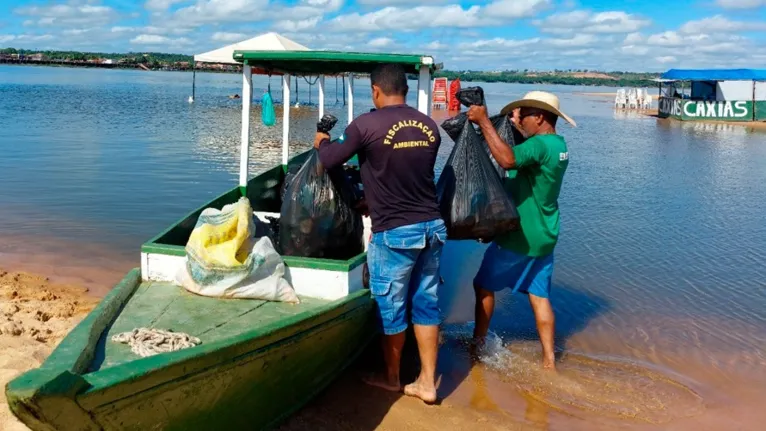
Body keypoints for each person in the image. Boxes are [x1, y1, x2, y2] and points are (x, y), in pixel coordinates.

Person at [314, 63, 446, 403]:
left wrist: (321, 141)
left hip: (396, 233)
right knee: (427, 304)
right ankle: (427, 383)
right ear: (403, 88)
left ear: (375, 90)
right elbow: (407, 173)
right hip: (432, 227)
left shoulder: (365, 124)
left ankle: (391, 378)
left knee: (391, 307)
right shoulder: (429, 126)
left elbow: (328, 160)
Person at [466, 91, 576, 370]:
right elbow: (523, 160)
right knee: (540, 297)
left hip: (521, 235)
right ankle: (549, 361)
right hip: (546, 233)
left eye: (524, 114)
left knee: (483, 286)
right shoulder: (557, 146)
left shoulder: (539, 146)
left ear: (540, 117)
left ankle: (477, 347)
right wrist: (513, 126)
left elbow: (507, 160)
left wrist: (484, 123)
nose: (520, 119)